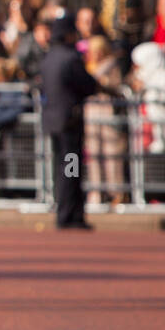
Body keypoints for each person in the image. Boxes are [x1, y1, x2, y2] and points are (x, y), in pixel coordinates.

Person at [39, 15, 100, 229]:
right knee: (71, 169)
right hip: (70, 123)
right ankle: (69, 214)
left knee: (61, 168)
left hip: (53, 122)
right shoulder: (70, 58)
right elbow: (88, 85)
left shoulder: (48, 58)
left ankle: (65, 210)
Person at [83, 35, 126, 206]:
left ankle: (116, 192)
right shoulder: (85, 67)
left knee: (112, 153)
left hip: (107, 112)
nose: (96, 54)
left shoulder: (112, 65)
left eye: (99, 50)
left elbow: (118, 87)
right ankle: (96, 191)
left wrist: (104, 83)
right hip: (91, 113)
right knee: (93, 153)